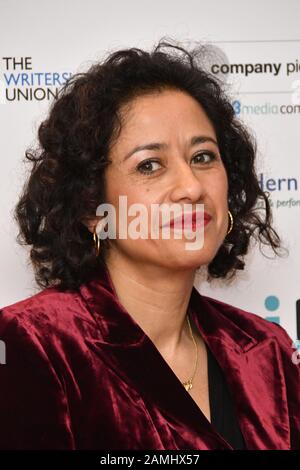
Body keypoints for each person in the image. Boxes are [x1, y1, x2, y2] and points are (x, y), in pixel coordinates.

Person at [0, 38, 299, 450]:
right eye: (150, 165)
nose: (192, 187)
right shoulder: (32, 342)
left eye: (203, 157)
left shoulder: (268, 349)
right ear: (91, 205)